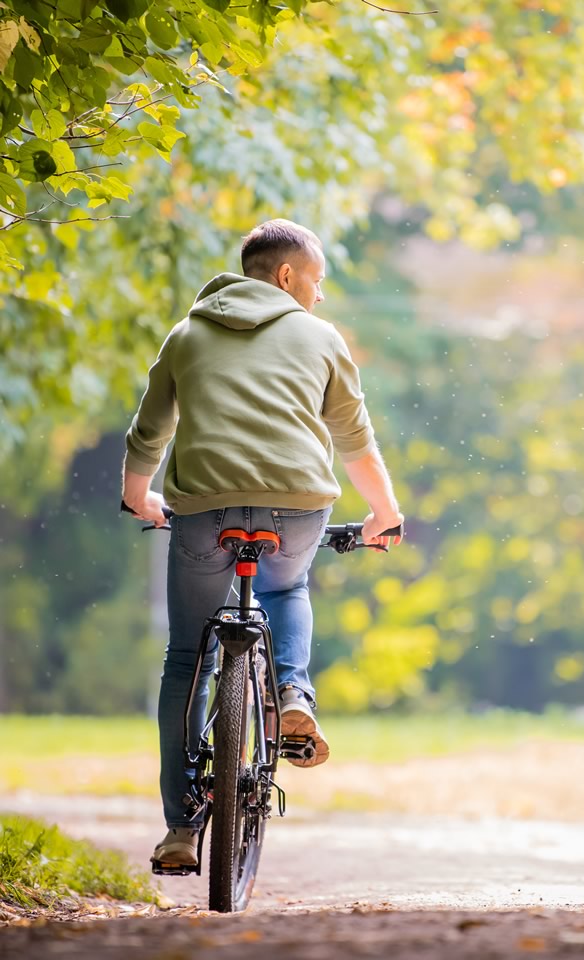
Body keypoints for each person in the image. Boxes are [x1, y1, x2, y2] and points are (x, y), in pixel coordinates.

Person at [122, 219, 403, 868]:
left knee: (189, 654)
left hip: (202, 507)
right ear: (286, 276)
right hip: (297, 505)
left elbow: (149, 430)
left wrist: (140, 496)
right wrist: (384, 512)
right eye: (317, 280)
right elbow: (354, 439)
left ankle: (180, 829)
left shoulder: (187, 334)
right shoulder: (321, 337)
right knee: (285, 584)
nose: (321, 295)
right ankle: (294, 696)